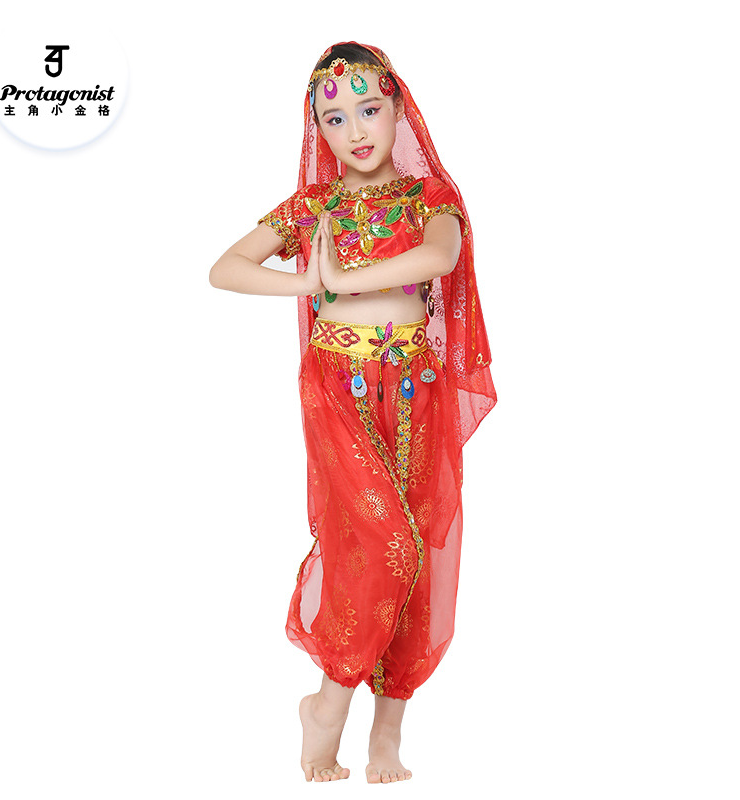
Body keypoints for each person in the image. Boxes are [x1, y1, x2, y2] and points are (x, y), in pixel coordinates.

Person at [209, 41, 496, 783]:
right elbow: (225, 268)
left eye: (369, 108)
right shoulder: (314, 207)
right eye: (334, 118)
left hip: (413, 387)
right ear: (319, 129)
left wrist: (345, 274)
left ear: (398, 108)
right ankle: (328, 704)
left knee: (416, 549)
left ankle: (386, 735)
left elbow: (438, 258)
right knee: (379, 542)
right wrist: (310, 282)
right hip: (337, 388)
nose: (356, 130)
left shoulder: (430, 197)